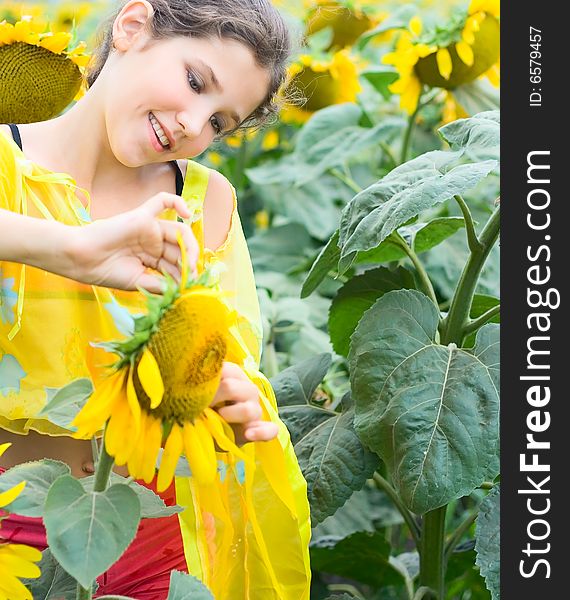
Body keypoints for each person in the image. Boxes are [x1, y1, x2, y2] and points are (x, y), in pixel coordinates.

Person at [0, 1, 311, 598]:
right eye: (196, 82)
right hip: (14, 523)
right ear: (132, 27)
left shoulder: (203, 200)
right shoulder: (8, 162)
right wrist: (69, 249)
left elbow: (224, 349)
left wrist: (229, 405)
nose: (196, 124)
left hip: (155, 529)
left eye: (220, 122)